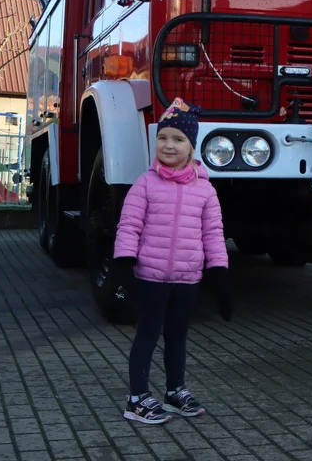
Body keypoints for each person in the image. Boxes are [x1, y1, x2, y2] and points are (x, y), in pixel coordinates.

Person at [111, 97, 234, 424]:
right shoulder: (145, 185)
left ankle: (174, 391)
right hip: (150, 277)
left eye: (178, 139)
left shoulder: (206, 191)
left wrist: (219, 276)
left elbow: (213, 234)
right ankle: (136, 398)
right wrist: (122, 270)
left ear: (192, 147)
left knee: (177, 335)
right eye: (162, 137)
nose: (168, 145)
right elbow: (129, 227)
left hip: (187, 279)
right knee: (148, 334)